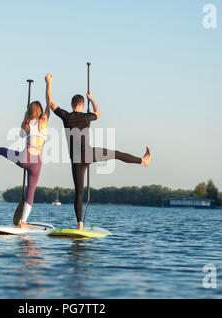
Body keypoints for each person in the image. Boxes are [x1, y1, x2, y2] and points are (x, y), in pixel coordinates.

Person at [45, 73, 151, 230]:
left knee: (79, 193)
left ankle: (79, 225)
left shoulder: (66, 116)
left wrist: (49, 83)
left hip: (76, 159)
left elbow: (50, 103)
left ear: (72, 104)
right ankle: (143, 161)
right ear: (82, 104)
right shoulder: (88, 117)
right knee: (116, 154)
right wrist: (92, 99)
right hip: (90, 154)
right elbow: (99, 113)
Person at [0, 100, 50, 229]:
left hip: (24, 159)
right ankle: (23, 222)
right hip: (37, 164)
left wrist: (26, 116)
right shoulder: (44, 121)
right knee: (30, 192)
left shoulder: (26, 124)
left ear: (29, 111)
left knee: (2, 151)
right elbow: (49, 105)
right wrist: (49, 83)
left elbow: (22, 135)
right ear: (40, 111)